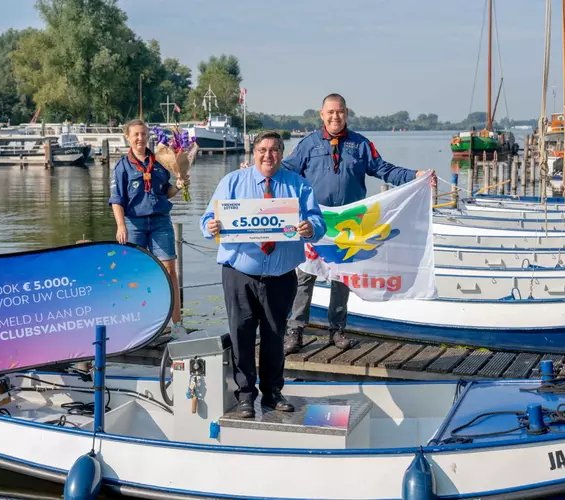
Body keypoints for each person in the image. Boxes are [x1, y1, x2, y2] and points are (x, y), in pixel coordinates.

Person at [280, 93, 437, 353]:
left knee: (342, 278)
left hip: (349, 225)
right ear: (322, 115)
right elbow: (285, 171)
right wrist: (257, 171)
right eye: (330, 112)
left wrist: (416, 175)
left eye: (339, 111)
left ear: (347, 113)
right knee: (305, 277)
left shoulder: (361, 145)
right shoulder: (308, 145)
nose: (335, 116)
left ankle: (337, 329)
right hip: (314, 223)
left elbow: (385, 170)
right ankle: (295, 332)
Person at [200, 130, 326, 418]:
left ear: (281, 154)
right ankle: (245, 396)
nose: (268, 155)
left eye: (274, 150)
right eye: (262, 150)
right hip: (239, 272)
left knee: (275, 335)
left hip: (281, 276)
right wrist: (210, 227)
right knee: (241, 335)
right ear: (253, 153)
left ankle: (272, 393)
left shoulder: (298, 186)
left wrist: (311, 228)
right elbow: (207, 218)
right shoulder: (232, 182)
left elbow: (318, 221)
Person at [109, 119, 188, 339]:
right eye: (135, 134)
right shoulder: (122, 166)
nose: (140, 138)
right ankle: (138, 325)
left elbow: (166, 193)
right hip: (134, 224)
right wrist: (120, 225)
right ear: (128, 137)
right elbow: (116, 200)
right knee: (136, 274)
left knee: (170, 272)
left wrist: (179, 186)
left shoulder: (161, 163)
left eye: (143, 134)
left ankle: (177, 325)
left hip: (161, 222)